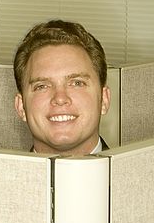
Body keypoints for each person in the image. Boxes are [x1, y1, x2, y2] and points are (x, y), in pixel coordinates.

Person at [13, 19, 110, 156]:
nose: (60, 98)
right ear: (21, 106)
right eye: (42, 86)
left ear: (104, 100)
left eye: (77, 83)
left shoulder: (144, 177)